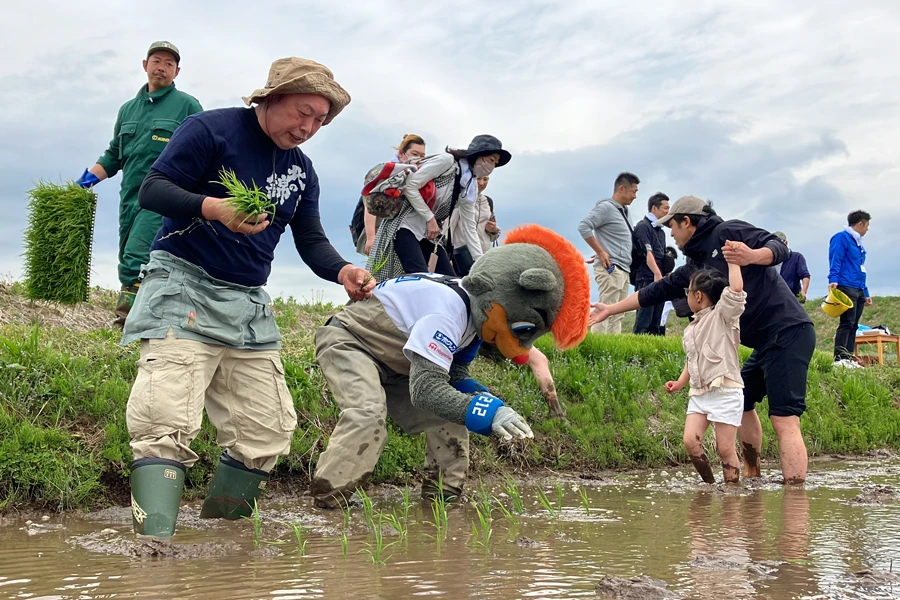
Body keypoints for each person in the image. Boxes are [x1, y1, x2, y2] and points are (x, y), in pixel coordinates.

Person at [121, 57, 374, 537]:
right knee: (164, 422)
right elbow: (153, 190)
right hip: (183, 286)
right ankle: (152, 553)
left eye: (320, 121)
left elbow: (311, 239)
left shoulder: (301, 172)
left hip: (247, 304)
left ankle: (223, 547)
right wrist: (215, 208)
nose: (308, 127)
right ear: (270, 98)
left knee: (266, 430)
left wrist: (342, 269)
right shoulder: (211, 130)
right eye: (302, 112)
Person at [310, 224, 590, 507]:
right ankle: (329, 500)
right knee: (367, 414)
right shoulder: (448, 311)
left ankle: (442, 502)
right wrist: (488, 413)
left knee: (450, 418)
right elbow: (426, 389)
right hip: (352, 342)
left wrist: (484, 399)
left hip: (399, 363)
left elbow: (454, 375)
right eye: (521, 331)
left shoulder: (476, 314)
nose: (519, 348)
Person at [589, 196, 815, 484]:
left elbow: (780, 247)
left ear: (687, 221)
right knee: (741, 401)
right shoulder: (694, 267)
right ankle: (753, 475)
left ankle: (795, 498)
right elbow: (655, 291)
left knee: (784, 419)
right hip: (764, 342)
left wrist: (751, 256)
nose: (670, 233)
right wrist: (610, 308)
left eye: (672, 225)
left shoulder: (728, 233)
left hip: (788, 331)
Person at [75, 41, 202, 328]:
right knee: (127, 254)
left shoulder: (187, 106)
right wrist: (86, 180)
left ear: (177, 71)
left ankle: (128, 321)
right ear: (145, 65)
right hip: (130, 197)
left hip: (164, 196)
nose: (162, 67)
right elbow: (114, 155)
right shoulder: (128, 110)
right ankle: (149, 315)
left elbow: (203, 149)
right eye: (157, 60)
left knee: (136, 255)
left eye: (169, 64)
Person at [366, 136, 511, 282]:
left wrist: (481, 262)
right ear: (479, 155)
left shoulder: (469, 185)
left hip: (429, 234)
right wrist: (430, 218)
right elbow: (411, 186)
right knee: (421, 279)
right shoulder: (447, 162)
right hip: (404, 225)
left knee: (450, 283)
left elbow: (469, 227)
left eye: (495, 163)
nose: (492, 167)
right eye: (491, 160)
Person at [665, 264, 746, 484]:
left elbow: (736, 291)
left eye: (688, 292)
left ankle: (731, 491)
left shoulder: (723, 316)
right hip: (700, 393)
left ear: (698, 295)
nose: (687, 296)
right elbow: (692, 359)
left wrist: (732, 262)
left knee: (725, 447)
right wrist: (681, 382)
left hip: (726, 391)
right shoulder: (692, 327)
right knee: (691, 441)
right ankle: (710, 485)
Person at [578, 172, 640, 334]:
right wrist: (600, 251)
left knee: (617, 313)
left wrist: (601, 250)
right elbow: (584, 226)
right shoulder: (606, 207)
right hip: (611, 268)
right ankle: (598, 348)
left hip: (624, 268)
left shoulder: (624, 211)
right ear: (621, 189)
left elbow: (613, 238)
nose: (635, 196)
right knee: (605, 310)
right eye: (633, 191)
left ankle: (613, 348)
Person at [352, 134, 427, 256]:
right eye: (415, 154)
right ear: (402, 154)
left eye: (422, 156)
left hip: (399, 234)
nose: (418, 158)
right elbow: (370, 206)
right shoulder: (387, 173)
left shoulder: (416, 176)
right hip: (379, 231)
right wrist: (371, 237)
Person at [828, 210, 872, 368]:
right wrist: (833, 279)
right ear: (860, 223)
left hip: (858, 286)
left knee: (854, 324)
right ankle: (839, 359)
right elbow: (836, 258)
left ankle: (848, 357)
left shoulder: (858, 243)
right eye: (867, 225)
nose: (867, 229)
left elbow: (860, 268)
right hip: (846, 284)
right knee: (847, 322)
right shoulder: (842, 238)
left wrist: (865, 292)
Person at [632, 193, 670, 334]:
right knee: (644, 319)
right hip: (646, 277)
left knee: (656, 320)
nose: (667, 212)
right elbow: (646, 252)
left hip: (659, 277)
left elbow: (663, 255)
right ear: (654, 208)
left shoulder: (661, 231)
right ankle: (637, 348)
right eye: (665, 208)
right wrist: (657, 273)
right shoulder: (643, 226)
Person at [447, 175, 500, 273]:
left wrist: (494, 231)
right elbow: (450, 227)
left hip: (484, 255)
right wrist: (448, 255)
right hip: (462, 254)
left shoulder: (488, 202)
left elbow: (493, 236)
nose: (482, 183)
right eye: (478, 179)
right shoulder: (461, 200)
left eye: (485, 179)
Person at [772, 231, 811, 303]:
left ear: (786, 243)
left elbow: (805, 275)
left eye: (779, 243)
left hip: (792, 298)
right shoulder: (769, 259)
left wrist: (803, 291)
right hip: (772, 297)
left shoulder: (796, 257)